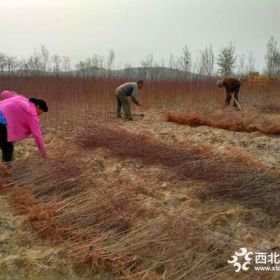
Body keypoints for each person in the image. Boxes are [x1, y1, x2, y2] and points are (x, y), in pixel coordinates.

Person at [0, 91, 48, 162]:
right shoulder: (32, 115)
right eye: (42, 111)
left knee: (7, 145)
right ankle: (6, 170)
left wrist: (15, 95)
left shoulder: (21, 98)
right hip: (1, 124)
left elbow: (4, 93)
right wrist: (44, 154)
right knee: (7, 148)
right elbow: (37, 135)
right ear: (38, 107)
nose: (40, 114)